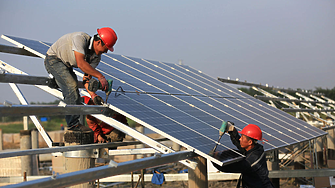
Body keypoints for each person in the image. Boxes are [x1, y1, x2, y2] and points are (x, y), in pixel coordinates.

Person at [44, 27, 117, 131]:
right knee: (71, 86)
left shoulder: (96, 57)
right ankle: (73, 125)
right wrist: (101, 77)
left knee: (74, 90)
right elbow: (81, 64)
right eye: (106, 48)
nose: (106, 51)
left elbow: (86, 78)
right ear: (98, 42)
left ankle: (58, 82)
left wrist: (93, 95)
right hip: (54, 60)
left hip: (66, 65)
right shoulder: (80, 39)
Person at [212, 122, 274, 188]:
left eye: (242, 137)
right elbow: (242, 146)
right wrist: (232, 131)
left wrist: (213, 158)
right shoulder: (258, 149)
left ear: (250, 142)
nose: (240, 139)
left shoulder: (250, 162)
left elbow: (225, 167)